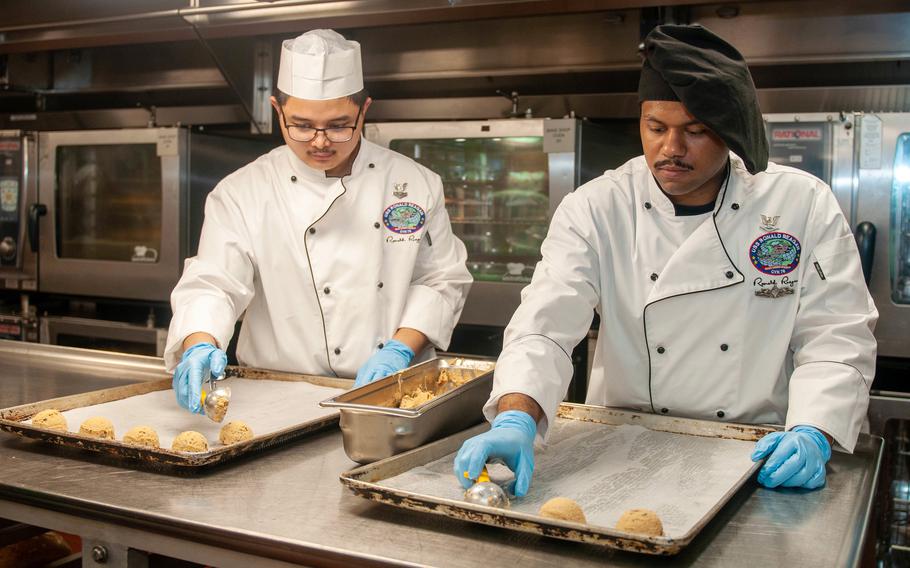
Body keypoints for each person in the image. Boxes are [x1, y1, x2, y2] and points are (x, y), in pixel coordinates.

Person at [454, 24, 877, 496]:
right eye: (655, 128)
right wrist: (517, 415)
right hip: (616, 447)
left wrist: (813, 430)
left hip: (755, 454)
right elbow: (545, 324)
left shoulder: (801, 204)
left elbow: (835, 334)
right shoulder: (597, 207)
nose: (670, 149)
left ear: (731, 133)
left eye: (695, 132)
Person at [164, 29, 472, 413]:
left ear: (365, 110)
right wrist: (200, 344)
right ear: (277, 110)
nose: (320, 141)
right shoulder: (242, 191)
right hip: (275, 396)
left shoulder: (414, 184)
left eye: (339, 125)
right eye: (302, 125)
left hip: (389, 395)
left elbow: (441, 280)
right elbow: (214, 283)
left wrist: (398, 350)